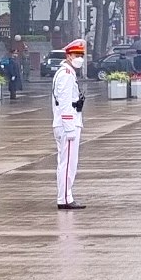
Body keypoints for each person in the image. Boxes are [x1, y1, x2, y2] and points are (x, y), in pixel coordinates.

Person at [52, 39, 87, 210]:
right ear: (68, 55)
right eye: (76, 55)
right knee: (67, 164)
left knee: (67, 162)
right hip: (68, 124)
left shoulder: (67, 72)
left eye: (81, 55)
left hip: (68, 122)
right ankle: (65, 198)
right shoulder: (65, 74)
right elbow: (65, 102)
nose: (79, 58)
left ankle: (66, 195)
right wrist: (70, 127)